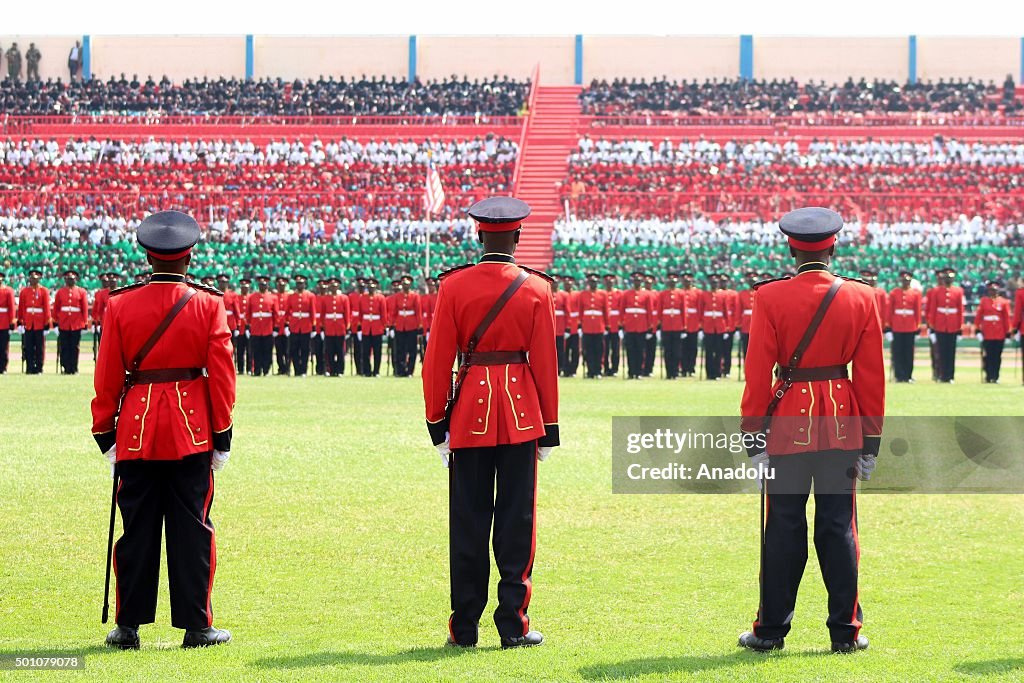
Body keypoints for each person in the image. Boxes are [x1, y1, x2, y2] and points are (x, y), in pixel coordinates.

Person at [738, 207, 884, 654]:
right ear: (834, 245)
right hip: (842, 424)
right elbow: (872, 377)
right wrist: (871, 440)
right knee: (839, 528)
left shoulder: (770, 297)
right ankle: (846, 632)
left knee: (782, 528)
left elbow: (758, 370)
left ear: (790, 247)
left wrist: (753, 433)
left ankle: (770, 632)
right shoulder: (862, 297)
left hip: (787, 427)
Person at [91, 210, 235, 650]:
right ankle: (197, 626)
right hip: (192, 431)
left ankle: (128, 626)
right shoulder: (208, 303)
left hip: (135, 430)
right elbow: (222, 377)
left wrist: (105, 433)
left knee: (136, 528)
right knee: (193, 529)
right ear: (189, 257)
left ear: (148, 257)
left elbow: (107, 375)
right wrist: (222, 435)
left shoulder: (119, 304)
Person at [421, 196, 558, 649]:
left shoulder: (454, 286)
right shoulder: (536, 288)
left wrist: (437, 423)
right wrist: (549, 426)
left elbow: (438, 360)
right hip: (521, 415)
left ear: (479, 236)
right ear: (518, 238)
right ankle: (514, 626)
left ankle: (464, 629)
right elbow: (544, 363)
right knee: (517, 521)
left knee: (468, 523)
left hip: (470, 415)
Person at [925, 267, 964, 383]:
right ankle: (942, 375)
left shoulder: (958, 291)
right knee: (941, 352)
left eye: (950, 278)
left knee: (951, 352)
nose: (948, 279)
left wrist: (959, 327)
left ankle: (950, 376)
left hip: (952, 325)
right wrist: (931, 326)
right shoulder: (937, 291)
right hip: (940, 324)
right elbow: (933, 309)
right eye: (946, 277)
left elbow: (960, 309)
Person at [974, 280, 1011, 383]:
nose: (993, 292)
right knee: (988, 356)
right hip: (987, 333)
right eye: (991, 290)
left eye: (994, 290)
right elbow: (978, 317)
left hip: (999, 333)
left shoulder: (1003, 302)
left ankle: (996, 376)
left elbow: (1006, 318)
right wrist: (977, 330)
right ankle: (988, 375)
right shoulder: (984, 301)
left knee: (997, 356)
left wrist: (1008, 333)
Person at [888, 271, 922, 382]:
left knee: (909, 352)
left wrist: (918, 326)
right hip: (897, 326)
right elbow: (890, 311)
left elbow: (917, 311)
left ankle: (908, 375)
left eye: (907, 280)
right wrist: (889, 327)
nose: (905, 282)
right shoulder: (894, 293)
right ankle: (899, 375)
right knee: (898, 352)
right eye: (903, 280)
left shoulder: (915, 294)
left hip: (910, 326)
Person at [53, 269, 89, 374]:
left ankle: (74, 367)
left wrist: (85, 323)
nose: (70, 280)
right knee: (64, 347)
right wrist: (55, 323)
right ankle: (65, 367)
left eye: (72, 279)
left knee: (74, 347)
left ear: (76, 279)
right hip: (63, 323)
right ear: (65, 280)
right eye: (68, 279)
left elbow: (84, 308)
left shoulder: (81, 292)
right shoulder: (60, 292)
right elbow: (56, 308)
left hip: (76, 324)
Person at [17, 269, 51, 374]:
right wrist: (20, 321)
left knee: (39, 347)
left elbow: (46, 308)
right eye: (31, 278)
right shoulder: (24, 291)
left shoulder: (44, 291)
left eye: (35, 278)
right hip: (28, 323)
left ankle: (39, 367)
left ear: (39, 279)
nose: (33, 280)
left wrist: (47, 323)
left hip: (39, 323)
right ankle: (30, 367)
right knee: (28, 346)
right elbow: (21, 307)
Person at [621, 271, 654, 379]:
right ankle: (631, 372)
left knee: (640, 351)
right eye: (635, 281)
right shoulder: (626, 294)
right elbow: (622, 310)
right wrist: (621, 325)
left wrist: (650, 328)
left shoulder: (647, 294)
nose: (637, 283)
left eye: (639, 281)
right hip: (629, 327)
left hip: (641, 327)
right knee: (630, 351)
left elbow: (650, 311)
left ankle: (639, 372)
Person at [284, 274, 317, 377]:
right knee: (294, 349)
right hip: (294, 326)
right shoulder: (291, 296)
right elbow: (287, 311)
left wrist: (313, 326)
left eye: (301, 283)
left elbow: (313, 311)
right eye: (298, 283)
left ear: (305, 284)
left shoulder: (310, 296)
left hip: (306, 326)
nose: (300, 285)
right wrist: (286, 324)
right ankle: (297, 369)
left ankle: (303, 370)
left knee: (305, 350)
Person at [246, 275, 279, 376]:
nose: (262, 286)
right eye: (261, 284)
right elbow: (248, 313)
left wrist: (275, 328)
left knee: (267, 351)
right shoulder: (252, 297)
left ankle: (266, 370)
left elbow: (275, 314)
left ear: (267, 285)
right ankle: (256, 370)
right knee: (256, 351)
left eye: (264, 284)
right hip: (255, 329)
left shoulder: (273, 297)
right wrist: (248, 327)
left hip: (267, 329)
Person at [390, 275, 422, 377]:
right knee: (400, 349)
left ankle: (410, 371)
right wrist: (391, 325)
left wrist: (419, 325)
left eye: (407, 284)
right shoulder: (397, 296)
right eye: (403, 284)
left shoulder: (415, 296)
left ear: (410, 285)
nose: (405, 286)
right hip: (400, 325)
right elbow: (394, 312)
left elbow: (418, 312)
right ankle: (401, 370)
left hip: (411, 325)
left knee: (412, 349)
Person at [579, 273, 608, 378]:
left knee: (599, 350)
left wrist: (607, 325)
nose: (593, 284)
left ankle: (598, 370)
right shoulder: (583, 294)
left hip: (599, 327)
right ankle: (590, 371)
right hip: (587, 327)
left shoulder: (602, 294)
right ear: (588, 283)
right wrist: (580, 324)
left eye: (595, 282)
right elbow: (580, 311)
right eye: (591, 282)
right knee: (588, 350)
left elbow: (605, 311)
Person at [700, 274, 729, 380]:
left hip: (720, 327)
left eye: (715, 283)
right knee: (709, 352)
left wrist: (726, 328)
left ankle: (717, 373)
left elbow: (725, 313)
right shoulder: (704, 295)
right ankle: (709, 373)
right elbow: (700, 311)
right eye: (712, 283)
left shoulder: (722, 295)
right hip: (708, 327)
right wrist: (700, 326)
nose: (714, 285)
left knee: (718, 352)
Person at [319, 277, 350, 376]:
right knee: (330, 351)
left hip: (340, 327)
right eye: (332, 286)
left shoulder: (344, 298)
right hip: (329, 327)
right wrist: (322, 327)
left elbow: (347, 313)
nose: (333, 288)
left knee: (340, 351)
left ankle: (340, 370)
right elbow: (323, 314)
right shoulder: (325, 298)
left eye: (335, 286)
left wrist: (347, 327)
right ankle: (332, 370)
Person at [657, 273, 685, 379]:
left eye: (673, 281)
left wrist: (684, 326)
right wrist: (659, 326)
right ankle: (669, 372)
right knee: (667, 351)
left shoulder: (680, 294)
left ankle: (675, 371)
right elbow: (659, 310)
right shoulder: (663, 294)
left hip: (677, 326)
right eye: (670, 281)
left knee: (677, 351)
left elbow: (683, 310)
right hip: (666, 325)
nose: (672, 283)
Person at [359, 278, 388, 376]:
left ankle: (376, 371)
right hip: (366, 327)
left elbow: (383, 314)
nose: (371, 289)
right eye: (369, 287)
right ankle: (367, 371)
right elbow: (360, 313)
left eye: (373, 287)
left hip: (377, 327)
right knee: (365, 351)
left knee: (377, 351)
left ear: (376, 287)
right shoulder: (363, 297)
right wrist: (359, 327)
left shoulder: (380, 298)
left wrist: (385, 326)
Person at [216, 275, 243, 375]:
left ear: (227, 283)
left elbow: (237, 312)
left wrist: (238, 325)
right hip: (218, 326)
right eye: (221, 282)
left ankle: (230, 367)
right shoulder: (215, 293)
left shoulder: (233, 295)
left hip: (230, 325)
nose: (223, 284)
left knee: (231, 348)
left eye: (224, 282)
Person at [680, 272, 702, 377]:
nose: (686, 282)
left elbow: (700, 309)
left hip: (694, 324)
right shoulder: (680, 292)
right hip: (682, 324)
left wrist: (700, 324)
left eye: (688, 281)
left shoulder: (697, 292)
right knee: (682, 348)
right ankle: (683, 368)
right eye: (685, 281)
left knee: (693, 348)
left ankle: (691, 368)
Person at [602, 273, 622, 376]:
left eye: (611, 282)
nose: (609, 283)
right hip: (605, 325)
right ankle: (605, 368)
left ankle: (614, 369)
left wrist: (621, 324)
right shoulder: (602, 293)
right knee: (605, 349)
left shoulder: (618, 293)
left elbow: (621, 310)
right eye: (607, 282)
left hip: (615, 326)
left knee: (615, 349)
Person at [273, 276, 290, 375]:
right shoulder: (274, 296)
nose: (281, 287)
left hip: (286, 327)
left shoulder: (288, 296)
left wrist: (288, 324)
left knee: (287, 350)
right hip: (277, 327)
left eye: (283, 285)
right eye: (279, 285)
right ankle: (281, 368)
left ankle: (287, 367)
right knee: (279, 350)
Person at [0, 272, 15, 374]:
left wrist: (11, 322)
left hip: (4, 322)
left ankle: (3, 367)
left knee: (3, 346)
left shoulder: (8, 291)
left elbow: (11, 307)